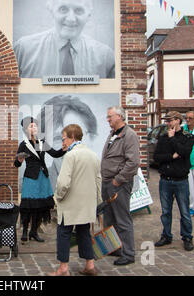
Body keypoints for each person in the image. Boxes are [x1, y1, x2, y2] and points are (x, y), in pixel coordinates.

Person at [14, 0, 115, 79]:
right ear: (51, 11)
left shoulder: (105, 57)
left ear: (89, 15)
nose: (71, 19)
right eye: (63, 9)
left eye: (78, 10)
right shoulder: (24, 50)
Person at [49, 124, 101, 276]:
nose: (62, 142)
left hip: (70, 204)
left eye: (63, 138)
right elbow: (98, 180)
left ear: (72, 137)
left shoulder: (70, 156)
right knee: (84, 233)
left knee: (63, 233)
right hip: (87, 204)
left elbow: (63, 182)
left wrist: (57, 197)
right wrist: (98, 202)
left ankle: (63, 268)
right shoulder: (93, 154)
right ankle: (90, 265)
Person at [14, 117, 66, 243]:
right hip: (31, 178)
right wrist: (19, 160)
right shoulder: (23, 145)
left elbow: (55, 154)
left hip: (42, 177)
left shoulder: (42, 142)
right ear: (26, 129)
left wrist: (65, 147)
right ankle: (25, 231)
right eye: (31, 126)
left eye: (35, 126)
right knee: (28, 206)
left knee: (40, 206)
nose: (34, 128)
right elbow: (16, 164)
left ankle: (34, 231)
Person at [100, 106, 140, 266]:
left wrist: (118, 180)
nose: (108, 119)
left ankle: (128, 253)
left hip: (118, 184)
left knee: (122, 219)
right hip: (107, 182)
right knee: (109, 218)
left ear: (119, 116)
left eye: (110, 116)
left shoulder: (129, 135)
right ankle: (115, 248)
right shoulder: (113, 134)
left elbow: (133, 162)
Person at [37, 95, 98, 191]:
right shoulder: (36, 185)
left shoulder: (106, 184)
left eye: (75, 135)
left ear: (92, 138)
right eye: (58, 138)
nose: (68, 144)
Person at [154, 111, 194, 251]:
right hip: (165, 180)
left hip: (181, 180)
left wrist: (173, 140)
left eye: (170, 120)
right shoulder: (163, 137)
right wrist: (172, 156)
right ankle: (166, 235)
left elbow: (184, 152)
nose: (168, 123)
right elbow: (157, 157)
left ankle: (187, 237)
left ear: (178, 120)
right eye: (166, 121)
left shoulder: (188, 137)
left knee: (184, 211)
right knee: (166, 211)